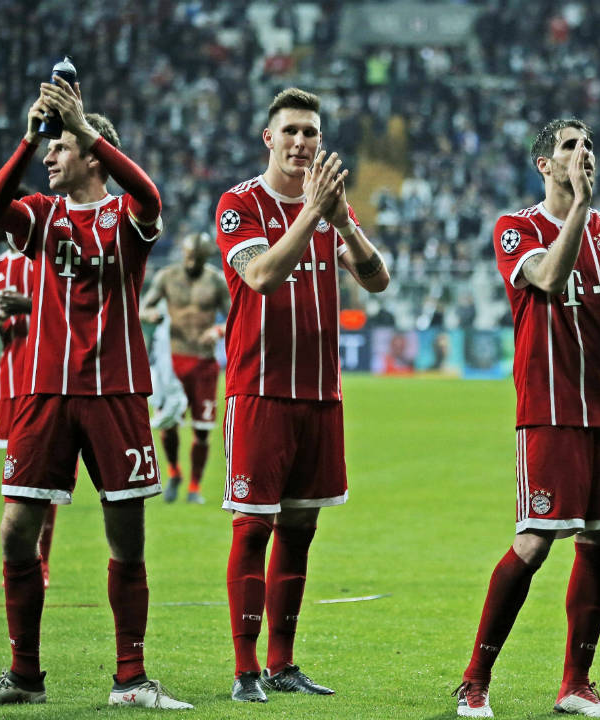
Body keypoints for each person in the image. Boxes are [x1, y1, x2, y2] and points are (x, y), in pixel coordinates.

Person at [0, 75, 190, 708]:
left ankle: (131, 679)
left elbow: (149, 193)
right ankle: (25, 676)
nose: (51, 157)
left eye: (61, 147)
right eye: (50, 147)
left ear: (92, 153)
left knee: (127, 538)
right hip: (44, 392)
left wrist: (83, 125)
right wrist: (30, 139)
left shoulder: (125, 217)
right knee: (15, 533)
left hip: (115, 392)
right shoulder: (40, 215)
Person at [455, 119, 600, 719]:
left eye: (590, 145)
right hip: (549, 410)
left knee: (598, 543)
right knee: (535, 541)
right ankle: (475, 681)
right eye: (571, 147)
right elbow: (547, 276)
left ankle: (577, 684)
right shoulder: (515, 227)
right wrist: (582, 209)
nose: (584, 154)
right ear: (544, 165)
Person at [216, 88, 390, 703]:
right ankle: (244, 670)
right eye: (290, 131)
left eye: (311, 133)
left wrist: (341, 220)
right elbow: (260, 276)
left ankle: (282, 664)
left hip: (320, 394)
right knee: (253, 527)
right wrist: (313, 215)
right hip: (260, 390)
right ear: (269, 138)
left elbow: (377, 281)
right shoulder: (240, 204)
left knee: (300, 528)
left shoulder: (330, 207)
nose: (301, 143)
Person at [0, 196, 59, 589]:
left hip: (51, 382)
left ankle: (41, 563)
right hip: (11, 387)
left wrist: (27, 303)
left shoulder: (49, 260)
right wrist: (0, 316)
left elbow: (74, 308)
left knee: (47, 480)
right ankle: (26, 560)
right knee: (20, 481)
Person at [140, 232, 230, 503]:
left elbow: (234, 317)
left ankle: (194, 487)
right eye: (189, 256)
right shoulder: (167, 277)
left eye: (198, 258)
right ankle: (174, 471)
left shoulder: (216, 281)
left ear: (206, 257)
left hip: (203, 363)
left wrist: (217, 330)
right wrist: (151, 315)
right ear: (183, 252)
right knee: (168, 424)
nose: (192, 261)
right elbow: (143, 307)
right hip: (172, 362)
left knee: (202, 428)